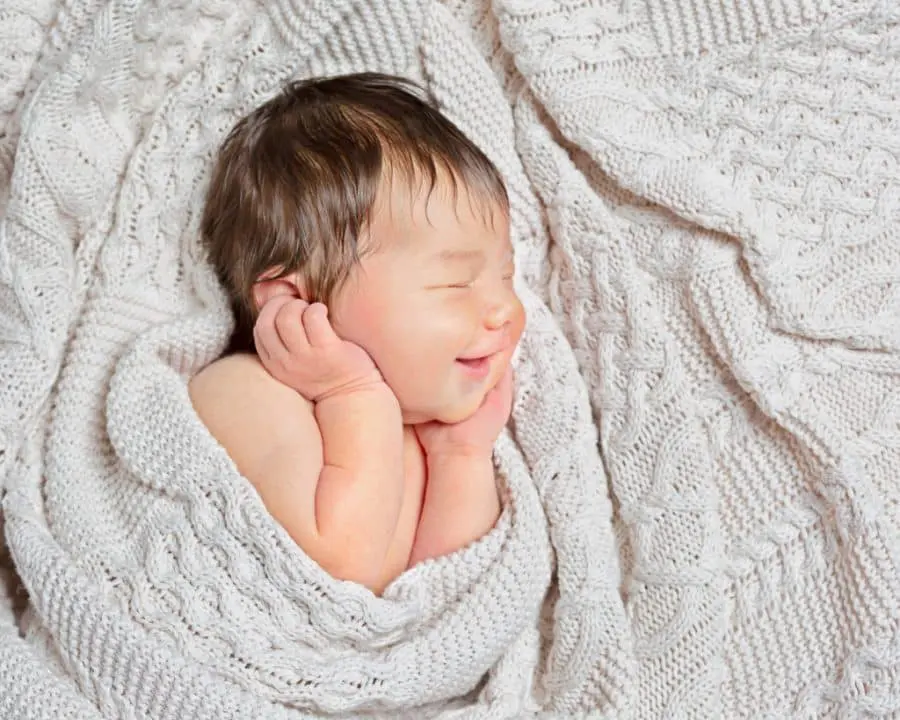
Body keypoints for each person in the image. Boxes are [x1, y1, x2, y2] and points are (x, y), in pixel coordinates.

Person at [189, 73, 525, 595]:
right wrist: (351, 395)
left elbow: (442, 596)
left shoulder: (414, 425)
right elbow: (342, 568)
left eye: (505, 275)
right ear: (298, 304)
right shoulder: (245, 391)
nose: (504, 307)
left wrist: (461, 456)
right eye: (455, 281)